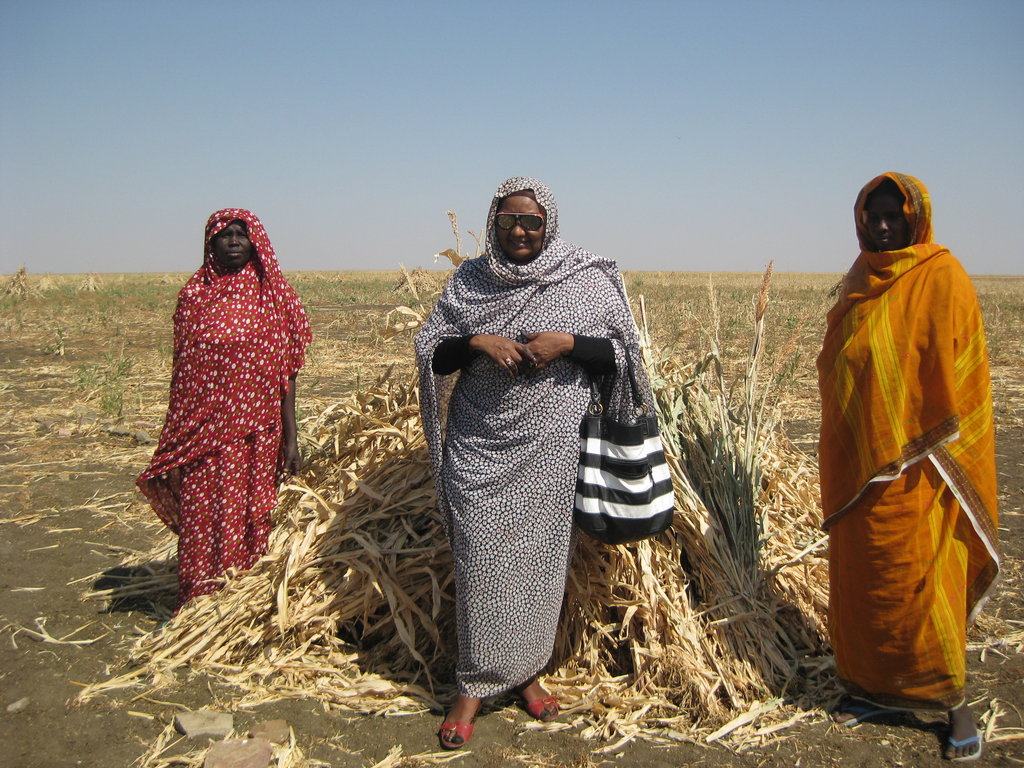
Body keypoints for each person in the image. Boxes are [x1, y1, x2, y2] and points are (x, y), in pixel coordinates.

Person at [415, 177, 653, 749]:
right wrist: (478, 340)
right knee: (481, 562)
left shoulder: (586, 278)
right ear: (493, 223)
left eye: (532, 222)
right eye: (509, 222)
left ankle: (524, 674)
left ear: (550, 224)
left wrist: (567, 343)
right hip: (479, 444)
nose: (520, 232)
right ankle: (472, 685)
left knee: (538, 566)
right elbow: (432, 350)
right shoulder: (470, 280)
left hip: (550, 446)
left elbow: (623, 355)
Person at [817, 173, 1000, 761]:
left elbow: (959, 379)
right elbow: (840, 361)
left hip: (924, 468)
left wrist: (915, 428)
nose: (885, 224)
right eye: (875, 215)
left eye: (896, 214)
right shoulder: (858, 279)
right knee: (869, 584)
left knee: (924, 587)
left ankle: (953, 703)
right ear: (860, 219)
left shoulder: (943, 277)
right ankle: (872, 689)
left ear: (917, 217)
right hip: (862, 466)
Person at [138, 209, 311, 614]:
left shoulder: (274, 295)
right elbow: (182, 373)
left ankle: (240, 602)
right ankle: (198, 600)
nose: (233, 240)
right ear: (210, 244)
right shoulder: (194, 296)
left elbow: (287, 372)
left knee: (252, 513)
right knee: (203, 515)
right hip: (205, 433)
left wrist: (292, 438)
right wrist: (179, 439)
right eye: (224, 235)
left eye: (241, 234)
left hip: (258, 432)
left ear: (256, 243)